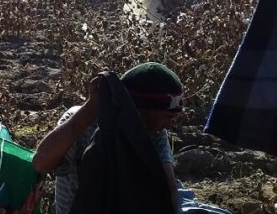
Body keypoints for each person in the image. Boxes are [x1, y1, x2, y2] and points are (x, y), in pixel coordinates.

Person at [32, 62, 183, 214]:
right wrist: (90, 108)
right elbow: (41, 163)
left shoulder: (155, 132)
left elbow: (169, 192)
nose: (169, 125)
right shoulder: (82, 122)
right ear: (138, 110)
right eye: (168, 117)